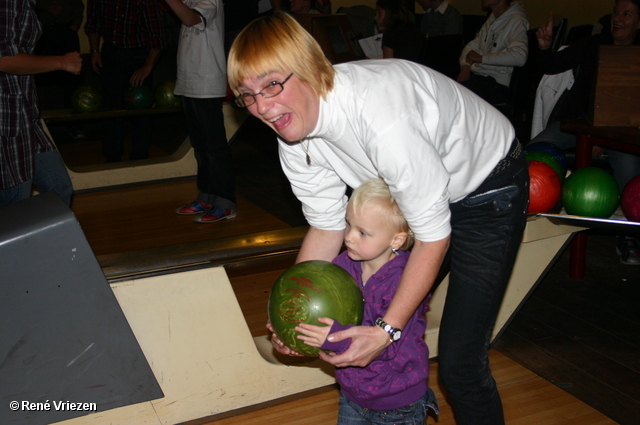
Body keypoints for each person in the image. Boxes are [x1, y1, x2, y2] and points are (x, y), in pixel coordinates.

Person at [228, 12, 529, 425]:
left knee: (459, 365)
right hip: (415, 197)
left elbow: (433, 236)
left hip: (486, 188)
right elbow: (327, 225)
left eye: (272, 84)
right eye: (247, 94)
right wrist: (291, 313)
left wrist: (387, 331)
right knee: (377, 311)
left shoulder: (381, 118)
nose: (262, 106)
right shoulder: (293, 137)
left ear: (311, 68)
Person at [296, 178, 439, 424]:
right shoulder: (343, 265)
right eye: (348, 225)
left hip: (397, 404)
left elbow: (389, 345)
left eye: (363, 232)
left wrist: (335, 338)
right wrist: (292, 323)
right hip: (352, 394)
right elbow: (321, 302)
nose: (349, 237)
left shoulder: (405, 281)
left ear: (396, 240)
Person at [529, 0, 640, 265]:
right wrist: (543, 47)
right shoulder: (594, 43)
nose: (618, 19)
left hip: (620, 133)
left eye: (626, 14)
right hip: (577, 125)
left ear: (638, 22)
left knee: (630, 171)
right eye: (616, 12)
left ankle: (628, 238)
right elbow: (553, 64)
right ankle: (529, 220)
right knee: (535, 150)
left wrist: (603, 137)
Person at [0, 0, 81, 208]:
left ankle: (47, 241)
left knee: (59, 188)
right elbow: (5, 59)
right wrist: (63, 62)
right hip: (7, 118)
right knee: (16, 202)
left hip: (24, 114)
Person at [167, 0, 237, 223]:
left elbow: (191, 19)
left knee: (215, 148)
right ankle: (206, 196)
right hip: (189, 82)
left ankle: (225, 202)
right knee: (201, 147)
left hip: (207, 83)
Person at [84, 0, 166, 162]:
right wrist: (94, 50)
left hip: (138, 55)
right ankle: (112, 157)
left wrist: (147, 66)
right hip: (110, 52)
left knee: (140, 107)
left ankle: (140, 157)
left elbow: (158, 36)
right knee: (111, 108)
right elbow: (93, 23)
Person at [457, 0, 529, 105]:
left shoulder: (517, 20)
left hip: (498, 84)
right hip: (481, 77)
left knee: (456, 95)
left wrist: (482, 58)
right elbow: (472, 46)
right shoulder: (492, 19)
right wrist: (466, 66)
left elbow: (520, 56)